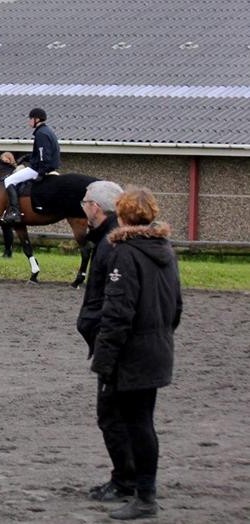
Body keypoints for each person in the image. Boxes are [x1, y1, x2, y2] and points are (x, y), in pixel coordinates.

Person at [90, 187, 183, 520]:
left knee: (137, 423)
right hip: (157, 348)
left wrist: (104, 360)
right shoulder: (164, 250)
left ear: (122, 214)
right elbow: (176, 306)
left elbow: (118, 313)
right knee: (137, 420)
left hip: (132, 353)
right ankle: (129, 483)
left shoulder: (123, 253)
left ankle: (144, 496)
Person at [74, 181, 129, 499]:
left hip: (114, 343)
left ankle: (127, 479)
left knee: (113, 415)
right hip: (110, 338)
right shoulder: (109, 240)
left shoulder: (112, 244)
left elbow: (115, 301)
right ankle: (125, 477)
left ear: (96, 206)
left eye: (84, 202)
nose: (83, 207)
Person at [1, 108, 60, 225]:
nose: (29, 122)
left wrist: (41, 173)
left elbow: (43, 156)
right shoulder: (47, 131)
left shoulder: (41, 133)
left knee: (9, 180)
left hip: (39, 169)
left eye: (30, 119)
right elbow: (38, 153)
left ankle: (15, 212)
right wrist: (25, 158)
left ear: (36, 119)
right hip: (46, 167)